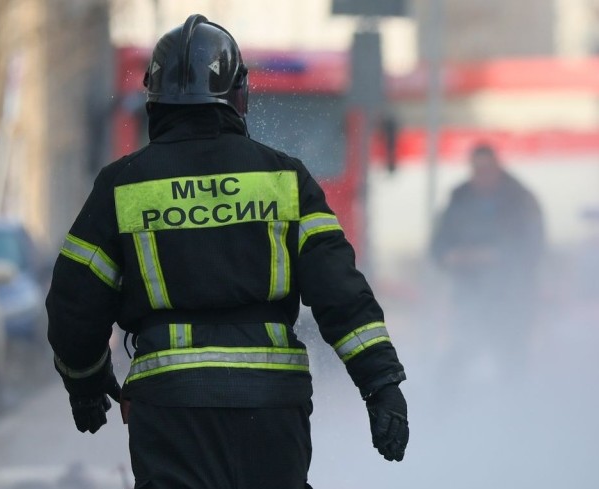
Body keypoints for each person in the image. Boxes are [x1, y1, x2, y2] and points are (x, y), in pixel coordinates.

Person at [46, 14, 408, 488]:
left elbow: (74, 303)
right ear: (239, 94)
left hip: (171, 410)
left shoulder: (123, 185)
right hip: (272, 409)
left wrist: (86, 383)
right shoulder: (284, 178)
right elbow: (340, 291)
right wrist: (380, 385)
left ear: (155, 97)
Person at [431, 142, 544, 379]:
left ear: (497, 168)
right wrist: (450, 256)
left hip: (511, 297)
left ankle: (515, 399)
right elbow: (439, 244)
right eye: (477, 170)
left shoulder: (520, 199)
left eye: (487, 170)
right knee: (458, 358)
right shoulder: (460, 197)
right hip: (468, 296)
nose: (482, 176)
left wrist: (495, 257)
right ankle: (445, 401)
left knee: (511, 362)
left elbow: (533, 248)